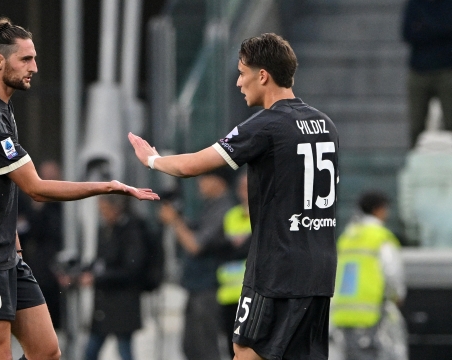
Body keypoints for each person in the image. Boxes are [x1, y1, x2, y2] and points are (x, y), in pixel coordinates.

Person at [0, 17, 158, 360]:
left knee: (47, 351)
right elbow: (36, 189)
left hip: (2, 253)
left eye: (35, 58)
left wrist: (15, 247)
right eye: (25, 59)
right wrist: (106, 186)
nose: (34, 67)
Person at [128, 32, 339, 360]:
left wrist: (153, 160)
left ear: (263, 76)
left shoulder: (265, 125)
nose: (239, 83)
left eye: (242, 73)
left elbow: (193, 165)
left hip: (276, 267)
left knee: (245, 350)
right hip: (319, 269)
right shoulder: (325, 125)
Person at [159, 168, 235, 360]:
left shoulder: (224, 209)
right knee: (190, 347)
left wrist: (175, 221)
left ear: (218, 181)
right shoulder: (210, 207)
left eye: (204, 178)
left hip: (210, 288)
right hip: (197, 287)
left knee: (205, 348)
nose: (199, 183)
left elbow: (195, 245)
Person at [331, 191, 407, 360]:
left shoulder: (346, 238)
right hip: (371, 315)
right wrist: (397, 296)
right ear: (378, 210)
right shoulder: (380, 237)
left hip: (342, 314)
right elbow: (392, 272)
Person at [79, 196, 146, 360]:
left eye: (105, 209)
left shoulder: (132, 231)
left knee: (123, 350)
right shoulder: (108, 229)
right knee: (92, 350)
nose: (103, 214)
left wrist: (98, 277)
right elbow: (99, 260)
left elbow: (131, 269)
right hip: (106, 304)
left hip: (122, 302)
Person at [17, 160, 64, 329]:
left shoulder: (65, 207)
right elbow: (27, 233)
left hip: (61, 271)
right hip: (41, 271)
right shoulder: (31, 205)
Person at [402, 0, 452, 147]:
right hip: (419, 71)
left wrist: (425, 27)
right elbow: (407, 33)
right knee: (416, 127)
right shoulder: (415, 3)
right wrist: (441, 29)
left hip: (447, 70)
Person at [216, 172, 251, 358]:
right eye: (242, 188)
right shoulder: (230, 216)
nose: (245, 192)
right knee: (232, 348)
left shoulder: (264, 215)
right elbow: (221, 248)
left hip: (253, 293)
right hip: (228, 294)